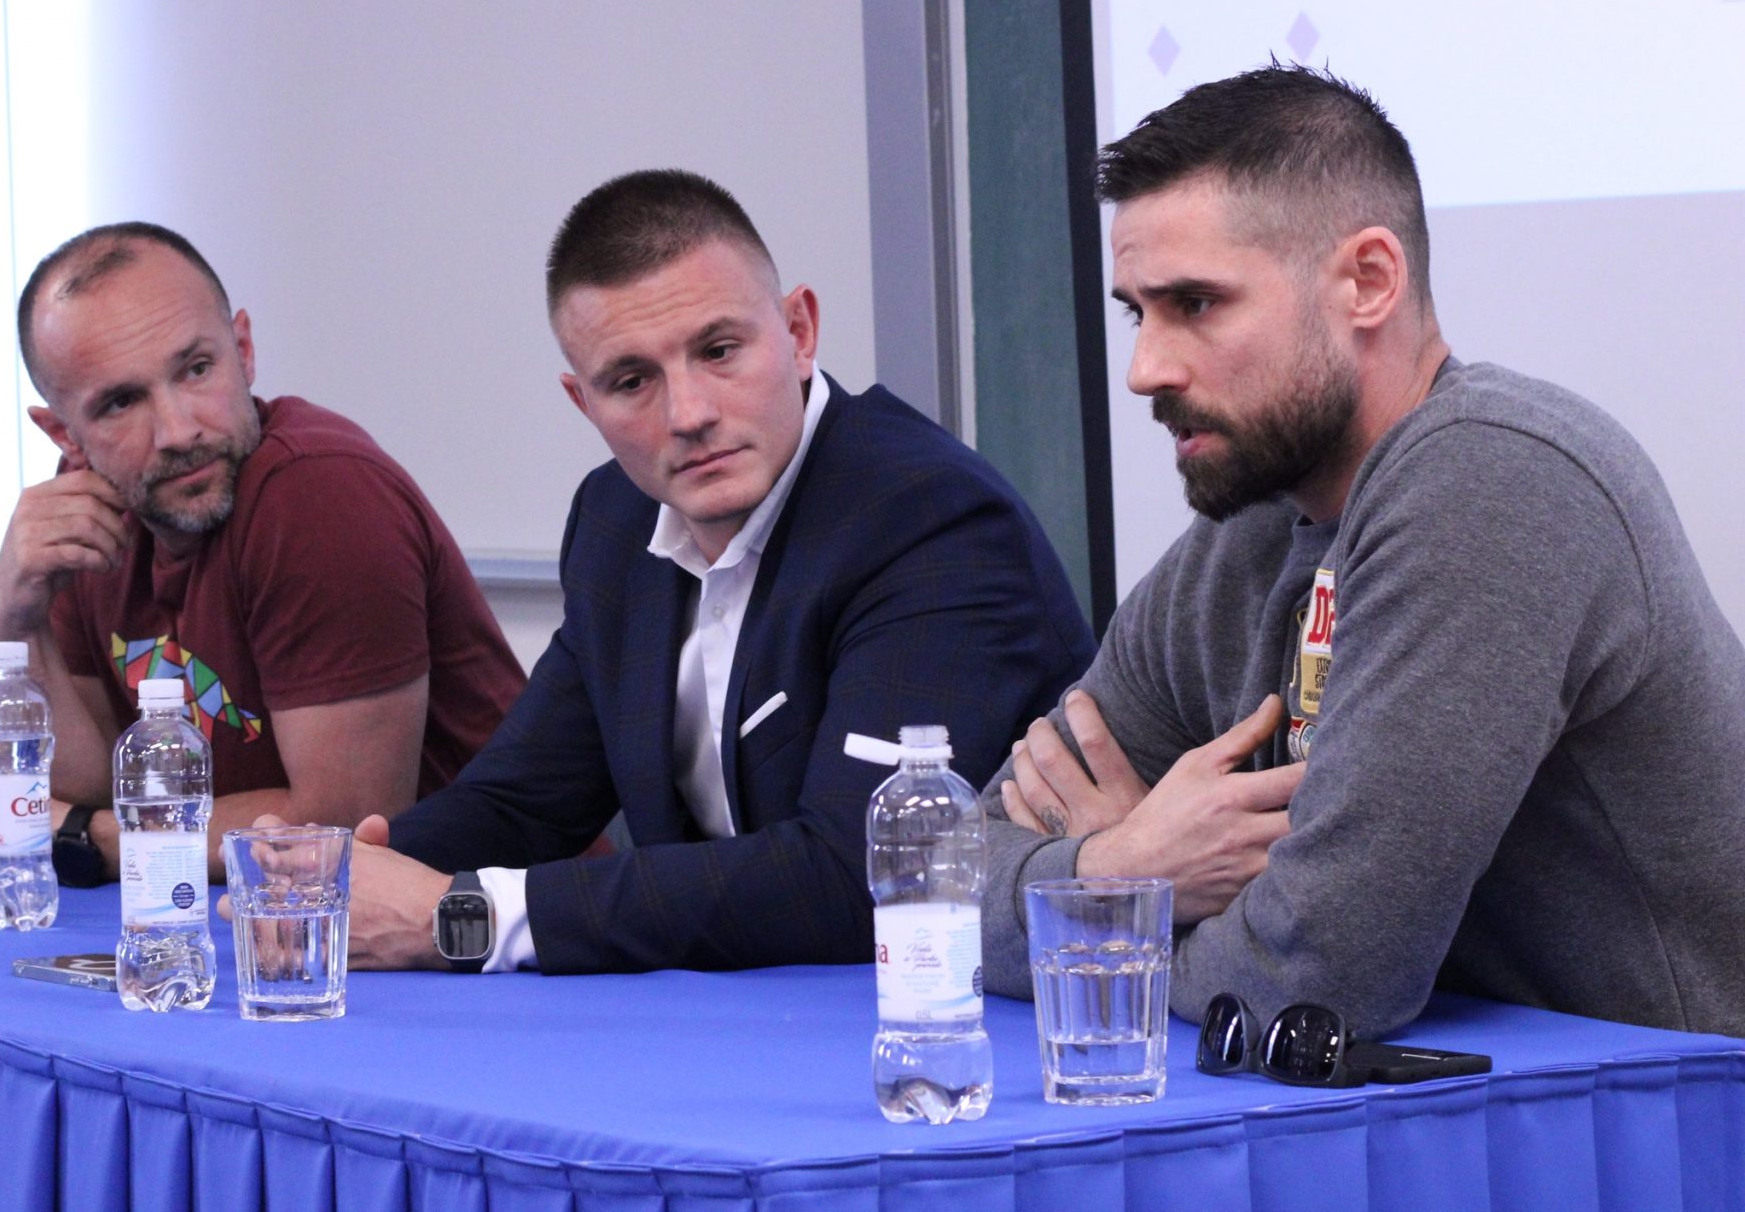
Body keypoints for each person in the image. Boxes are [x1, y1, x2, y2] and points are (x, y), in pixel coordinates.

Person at [984, 64, 1745, 1039]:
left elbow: (1314, 981)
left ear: (1369, 280)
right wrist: (1120, 869)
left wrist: (1118, 918)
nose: (1145, 369)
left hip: (1678, 1116)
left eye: (1197, 304)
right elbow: (944, 890)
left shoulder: (1493, 477)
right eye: (1139, 312)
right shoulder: (1245, 529)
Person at [339, 170, 1094, 974]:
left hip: (945, 1015)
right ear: (583, 402)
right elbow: (524, 799)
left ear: (799, 331)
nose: (689, 414)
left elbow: (861, 877)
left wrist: (463, 917)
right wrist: (325, 880)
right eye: (632, 381)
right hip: (731, 1016)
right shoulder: (615, 519)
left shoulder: (931, 521)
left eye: (719, 350)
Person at [0, 222, 526, 882]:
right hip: (252, 918)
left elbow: (337, 832)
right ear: (65, 435)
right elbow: (95, 782)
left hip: (490, 924)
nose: (179, 430)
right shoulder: (91, 511)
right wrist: (16, 617)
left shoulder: (318, 494)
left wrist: (96, 839)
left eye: (196, 369)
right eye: (121, 402)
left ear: (243, 350)